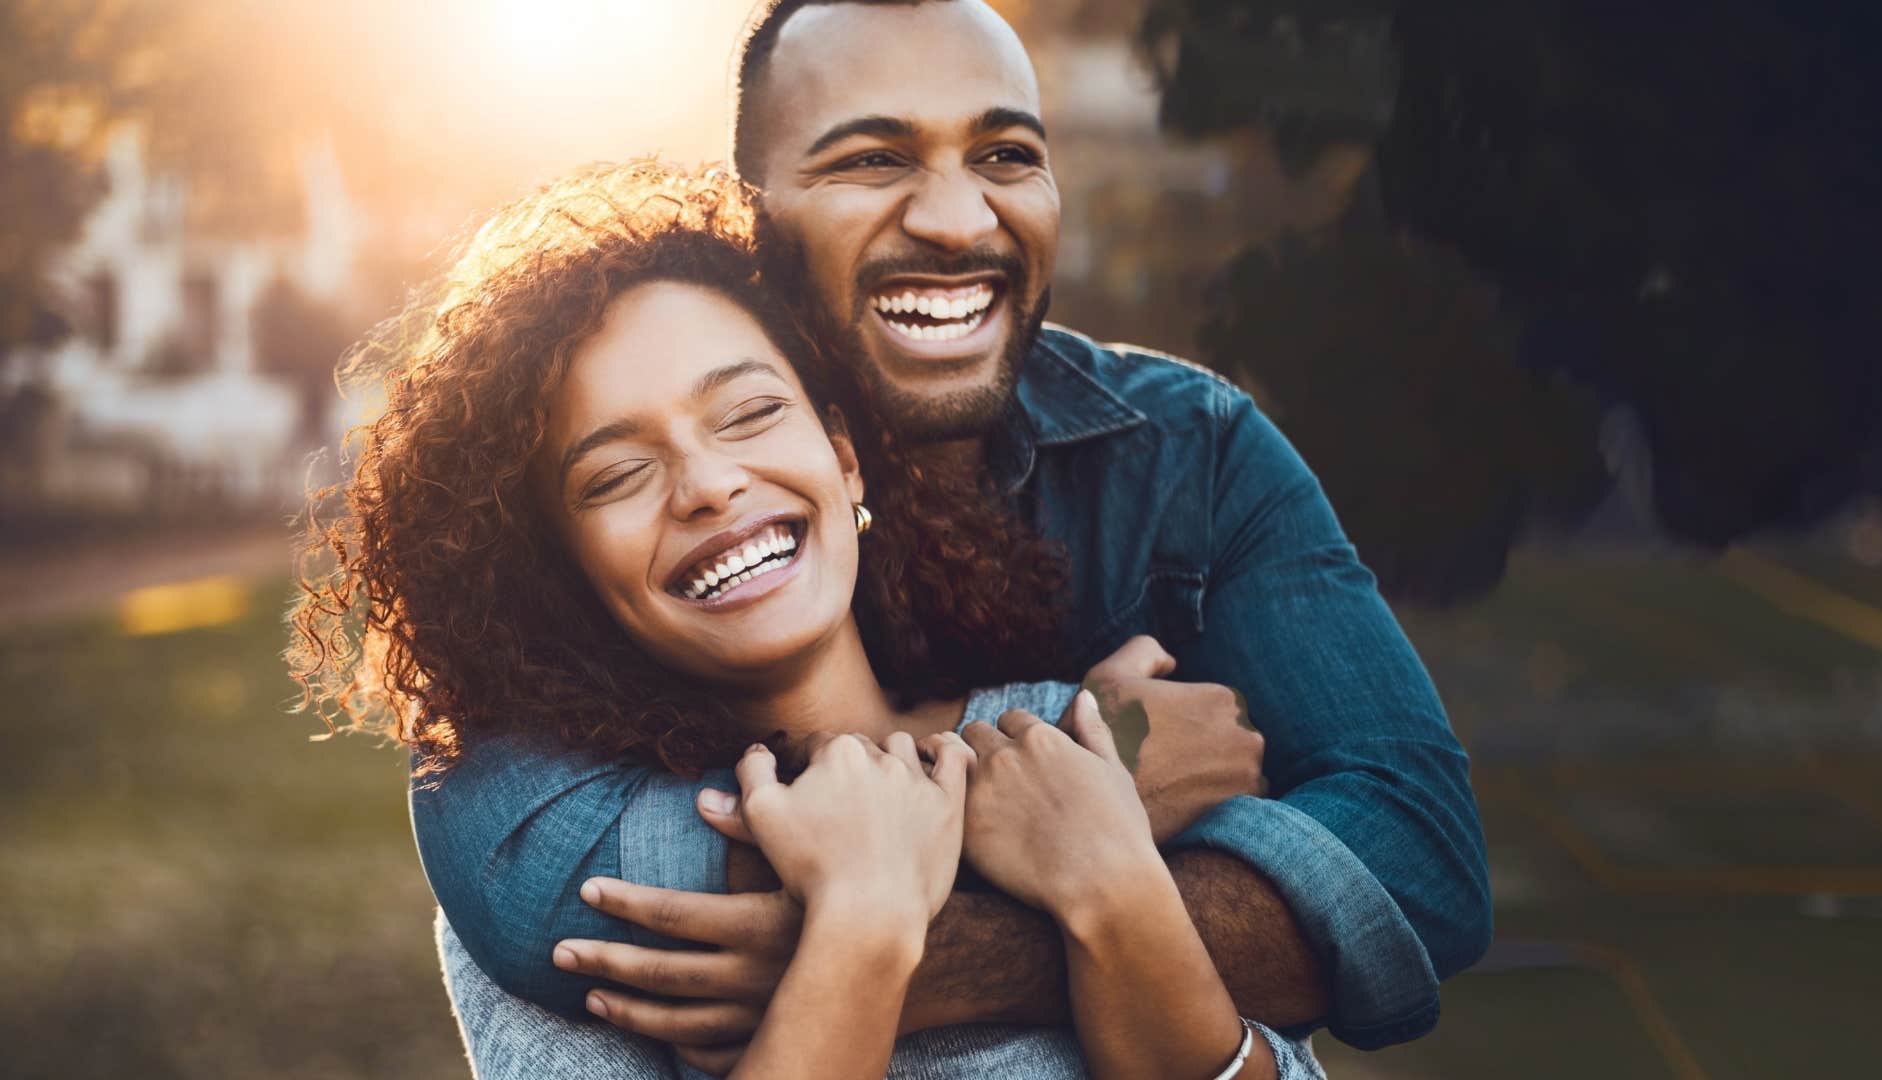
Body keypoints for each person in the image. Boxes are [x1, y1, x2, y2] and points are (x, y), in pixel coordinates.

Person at [407, 0, 1490, 1070]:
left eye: (1007, 154)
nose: (960, 221)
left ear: (841, 458)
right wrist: (1101, 763)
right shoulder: (587, 529)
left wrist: (984, 946)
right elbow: (534, 882)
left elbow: (1417, 865)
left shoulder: (1188, 455)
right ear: (753, 219)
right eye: (873, 161)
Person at [293, 159, 1321, 1077]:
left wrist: (1118, 900)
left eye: (748, 413)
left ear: (842, 455)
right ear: (560, 572)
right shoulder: (596, 910)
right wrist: (862, 933)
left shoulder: (1068, 749)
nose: (706, 484)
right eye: (616, 474)